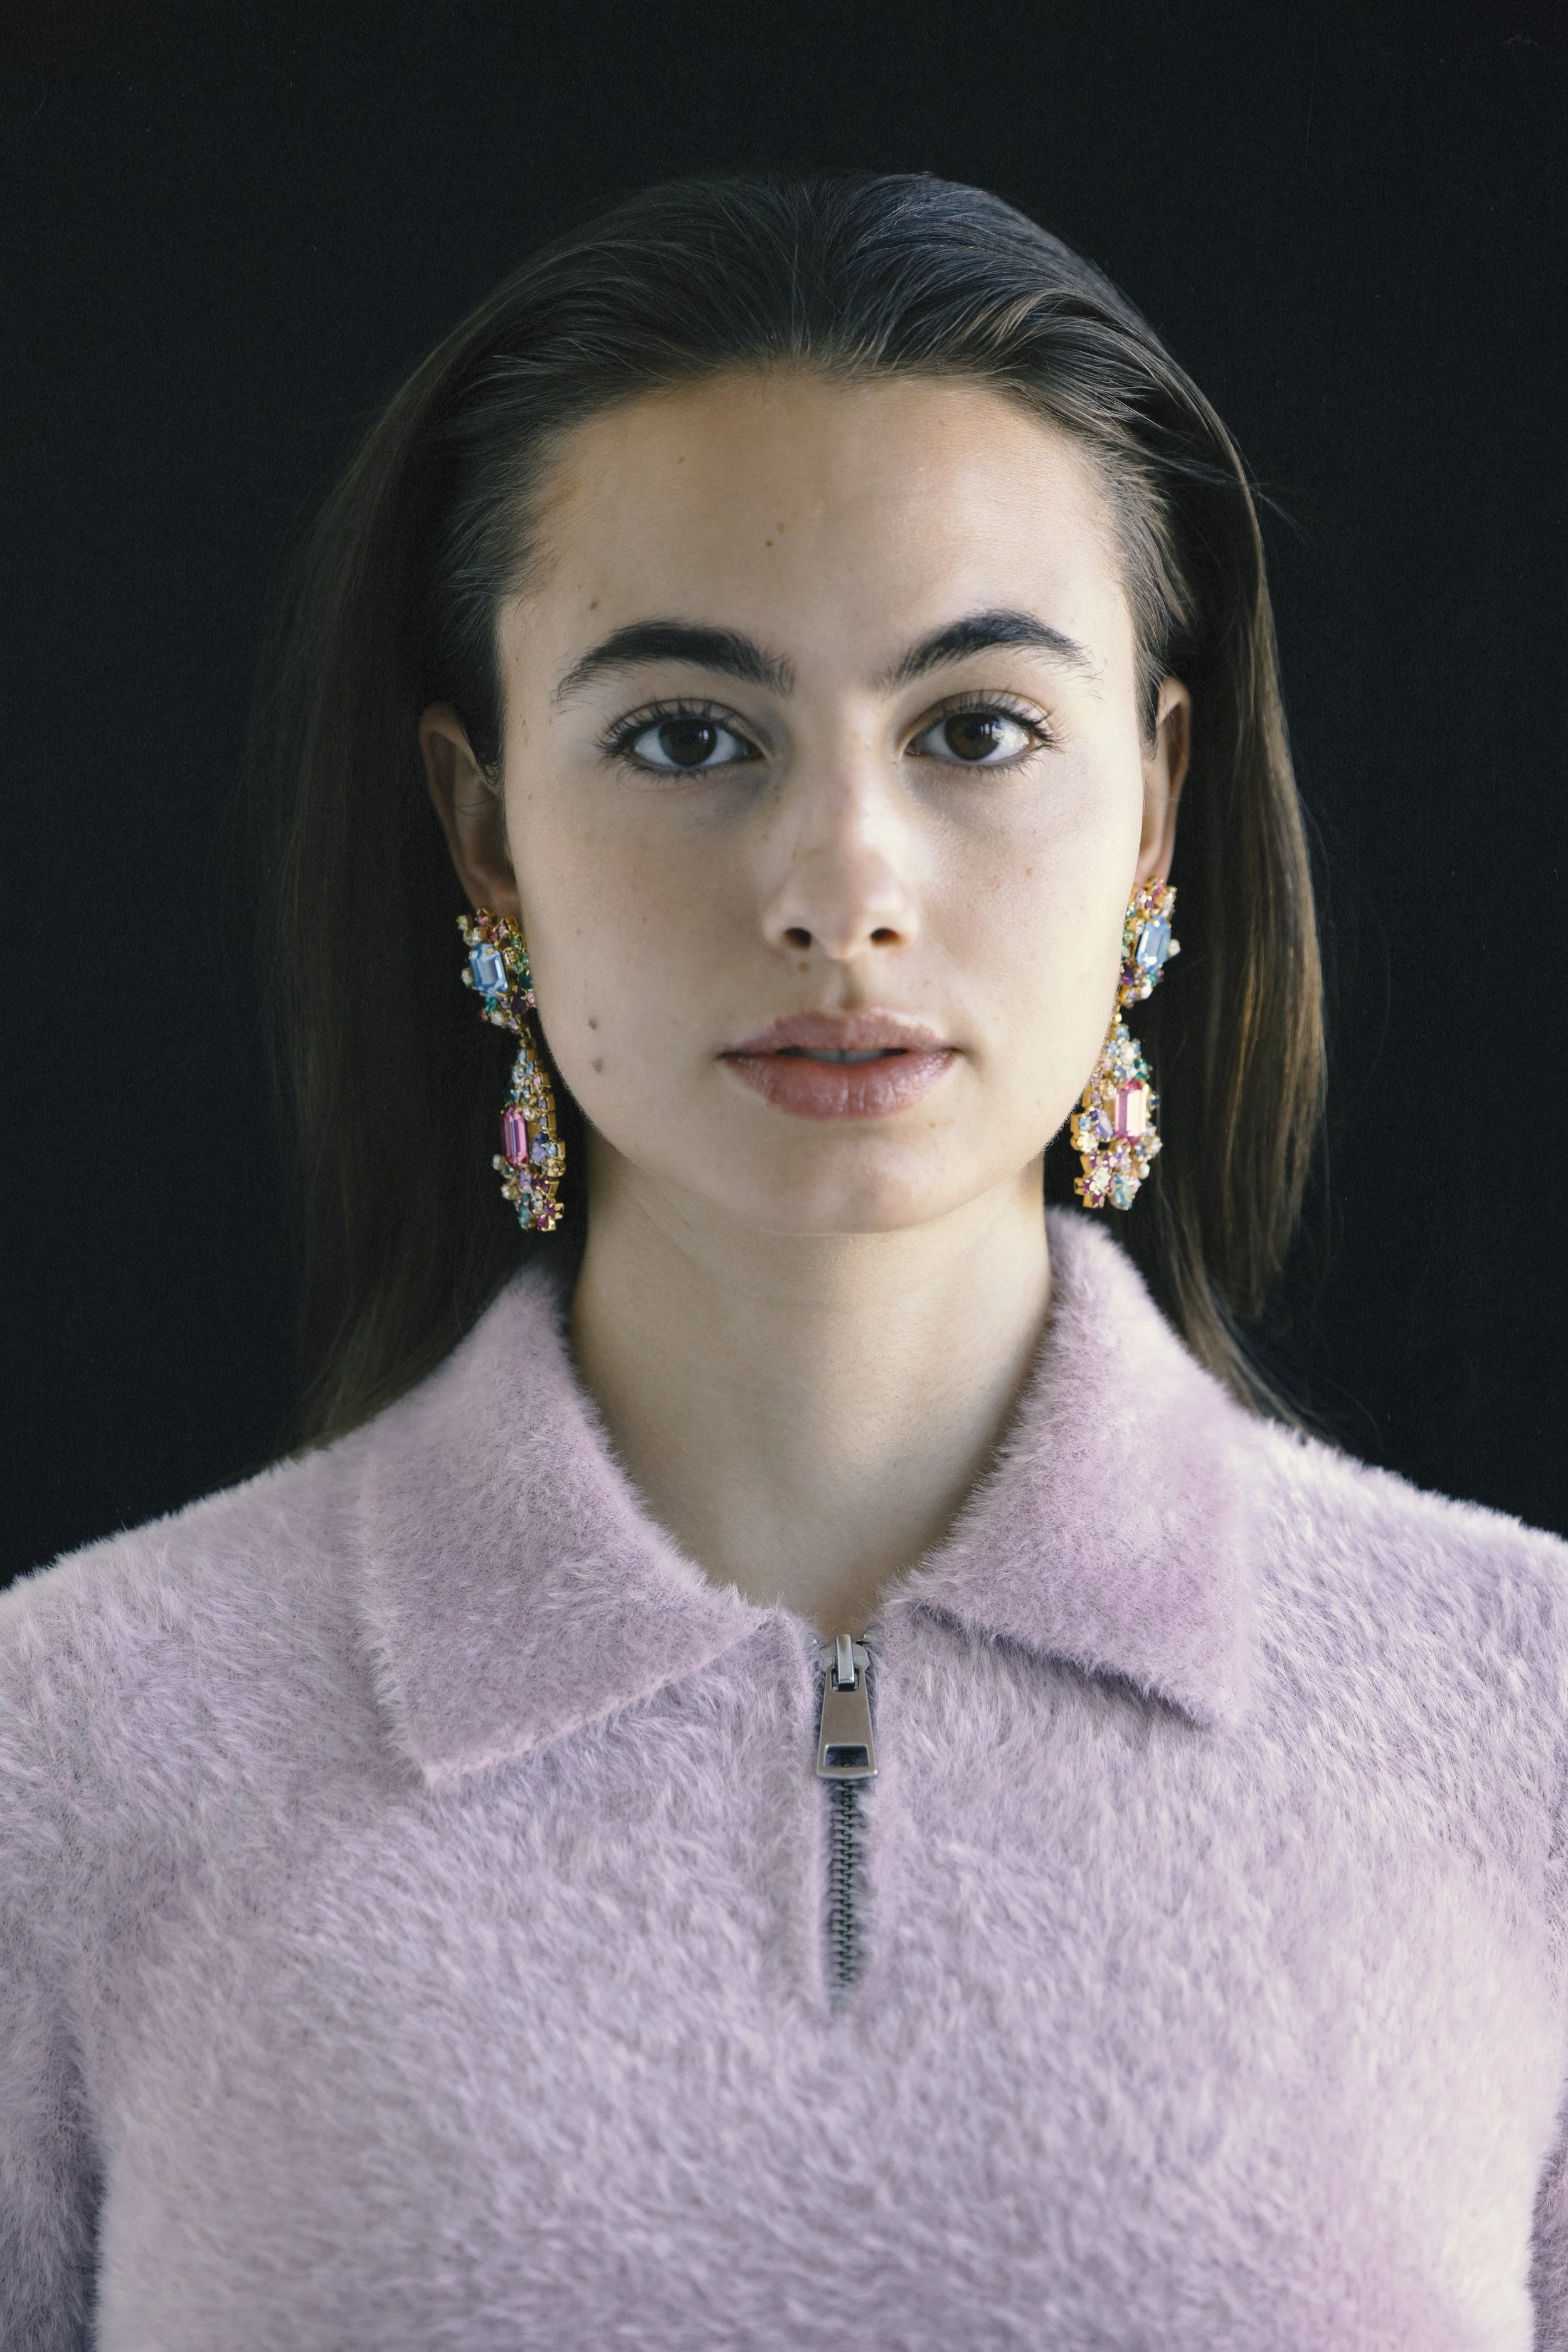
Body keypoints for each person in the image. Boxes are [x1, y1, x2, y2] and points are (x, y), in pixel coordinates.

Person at [2, 173, 1564, 2351]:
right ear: (483, 829)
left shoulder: (1524, 1725)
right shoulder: (69, 1749)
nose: (842, 880)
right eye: (683, 735)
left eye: (975, 728)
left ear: (1152, 809)